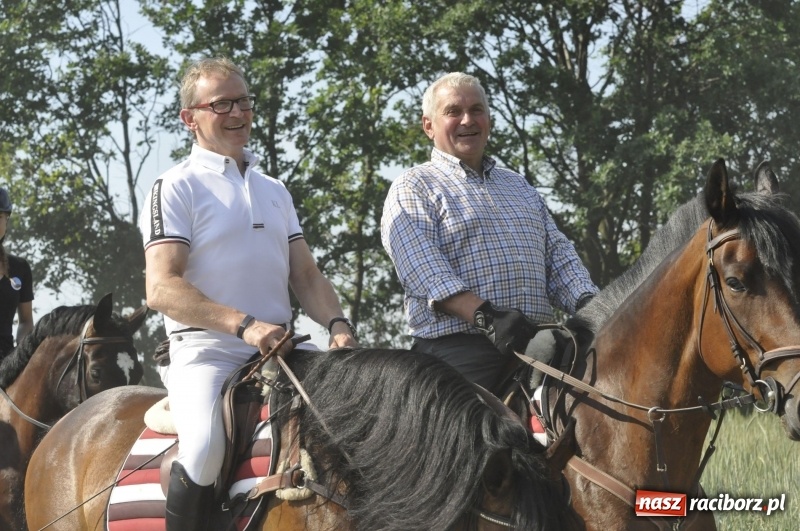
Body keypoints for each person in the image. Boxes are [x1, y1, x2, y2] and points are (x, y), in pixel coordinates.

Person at [139, 57, 358, 531]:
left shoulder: (274, 189)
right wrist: (245, 324)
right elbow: (161, 288)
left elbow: (307, 276)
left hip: (282, 350)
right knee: (203, 450)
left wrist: (339, 326)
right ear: (189, 118)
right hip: (207, 352)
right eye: (222, 103)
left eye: (244, 100)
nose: (238, 111)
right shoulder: (175, 186)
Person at [381, 72, 597, 394]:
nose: (468, 119)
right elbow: (425, 271)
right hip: (461, 351)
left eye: (477, 110)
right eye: (453, 111)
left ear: (489, 120)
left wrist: (593, 305)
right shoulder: (414, 186)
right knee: (468, 439)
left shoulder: (519, 186)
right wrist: (488, 319)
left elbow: (558, 257)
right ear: (429, 126)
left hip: (539, 344)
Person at [0, 187, 34, 362]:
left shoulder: (20, 267)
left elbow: (26, 321)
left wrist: (22, 353)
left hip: (7, 360)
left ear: (6, 221)